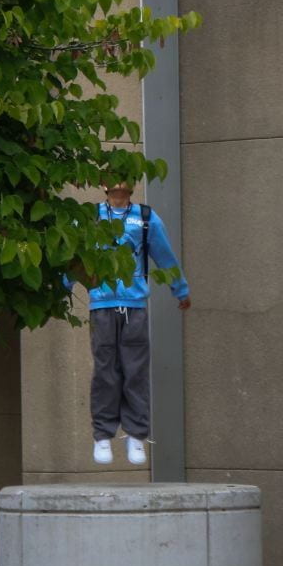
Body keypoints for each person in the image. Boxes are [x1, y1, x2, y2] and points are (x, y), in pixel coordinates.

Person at [66, 182, 191, 466]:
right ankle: (102, 435)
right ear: (103, 184)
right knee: (105, 371)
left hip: (134, 306)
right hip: (102, 305)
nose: (119, 183)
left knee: (135, 372)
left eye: (125, 177)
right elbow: (73, 255)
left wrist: (180, 288)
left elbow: (164, 255)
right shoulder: (90, 217)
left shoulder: (145, 217)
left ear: (133, 183)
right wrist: (63, 285)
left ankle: (136, 435)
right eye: (113, 177)